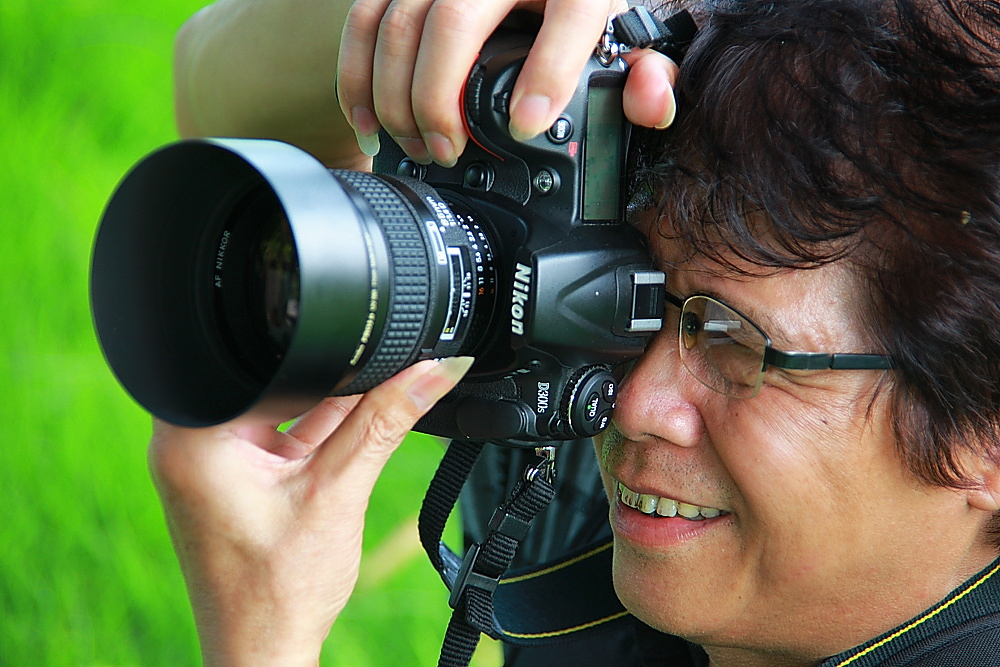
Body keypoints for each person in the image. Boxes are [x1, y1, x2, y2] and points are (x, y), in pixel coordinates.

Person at [156, 0, 1000, 664]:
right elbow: (211, 96)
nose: (631, 400)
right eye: (639, 287)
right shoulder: (569, 364)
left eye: (735, 343)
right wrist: (432, 26)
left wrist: (263, 642)